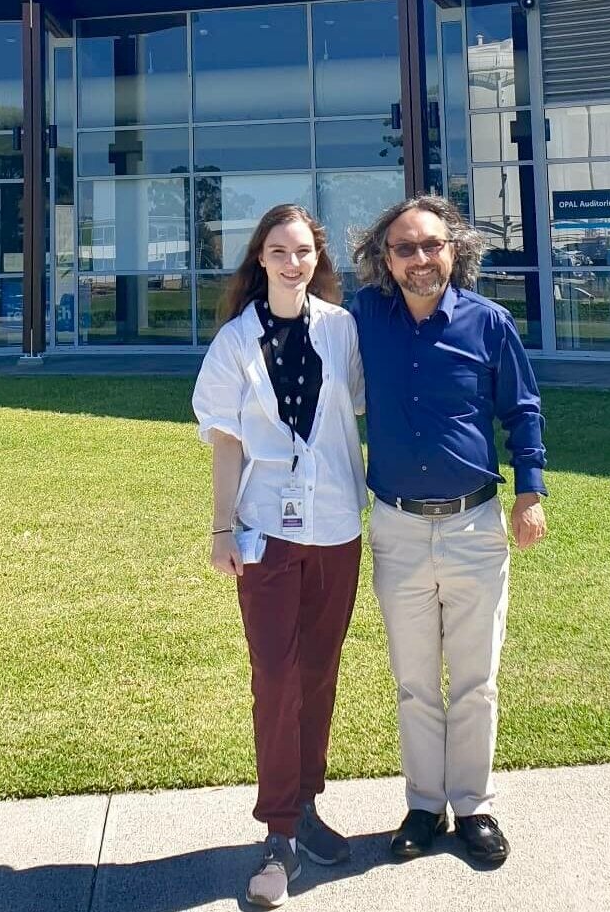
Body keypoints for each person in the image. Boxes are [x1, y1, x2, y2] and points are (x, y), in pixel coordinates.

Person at [349, 195, 547, 868]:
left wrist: (530, 495)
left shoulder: (489, 323)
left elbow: (521, 411)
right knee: (413, 681)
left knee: (474, 678)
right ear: (385, 258)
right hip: (398, 527)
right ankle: (422, 804)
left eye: (430, 244)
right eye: (403, 247)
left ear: (453, 249)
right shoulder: (363, 320)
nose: (419, 258)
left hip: (473, 525)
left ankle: (474, 805)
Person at [192, 204, 367, 909]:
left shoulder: (341, 329)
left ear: (315, 257)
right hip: (265, 531)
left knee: (319, 672)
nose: (290, 262)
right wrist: (218, 528)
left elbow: (360, 407)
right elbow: (228, 441)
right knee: (275, 673)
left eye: (301, 250)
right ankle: (276, 830)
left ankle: (306, 808)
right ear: (258, 260)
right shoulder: (235, 342)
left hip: (334, 528)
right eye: (276, 250)